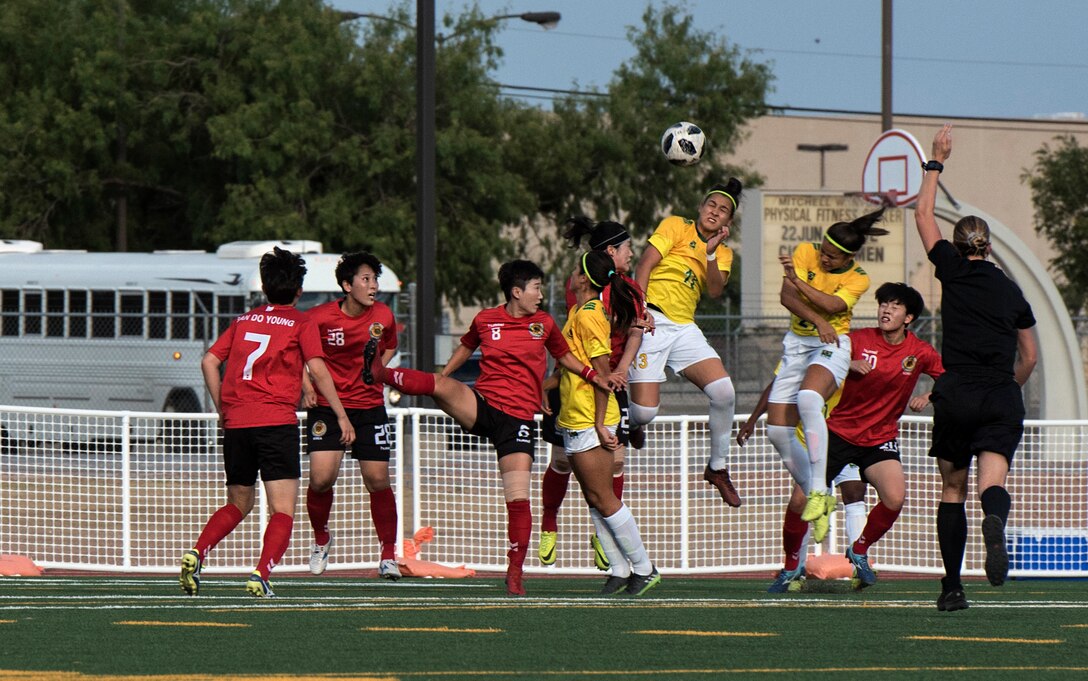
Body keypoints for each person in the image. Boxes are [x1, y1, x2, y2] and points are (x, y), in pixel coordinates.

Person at [373, 259, 616, 596]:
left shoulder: (544, 323)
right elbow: (466, 347)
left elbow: (565, 358)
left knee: (517, 498)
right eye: (536, 288)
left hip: (517, 422)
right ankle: (377, 373)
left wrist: (592, 375)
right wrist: (446, 375)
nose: (541, 295)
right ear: (516, 292)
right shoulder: (485, 319)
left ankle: (514, 573)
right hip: (483, 407)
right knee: (439, 385)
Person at [178, 247, 355, 598]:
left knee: (238, 504)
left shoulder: (243, 321)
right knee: (283, 509)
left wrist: (222, 411)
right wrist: (340, 414)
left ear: (264, 288)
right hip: (275, 422)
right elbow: (317, 369)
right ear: (299, 291)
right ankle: (260, 575)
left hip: (239, 424)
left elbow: (209, 362)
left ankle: (198, 553)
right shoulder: (301, 322)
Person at [915, 124, 1038, 612]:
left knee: (951, 487)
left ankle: (951, 588)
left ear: (960, 244)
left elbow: (923, 213)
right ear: (987, 246)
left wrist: (936, 160)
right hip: (998, 394)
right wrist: (1009, 388)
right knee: (992, 484)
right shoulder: (1012, 292)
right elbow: (1028, 356)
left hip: (957, 390)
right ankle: (995, 519)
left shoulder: (952, 270)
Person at [766, 208, 889, 542]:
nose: (823, 258)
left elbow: (834, 307)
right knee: (776, 430)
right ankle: (815, 490)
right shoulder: (805, 251)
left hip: (833, 344)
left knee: (808, 397)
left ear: (848, 257)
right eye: (822, 250)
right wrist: (814, 315)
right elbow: (785, 297)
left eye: (832, 257)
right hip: (797, 343)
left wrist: (797, 283)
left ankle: (819, 490)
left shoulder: (858, 277)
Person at [538, 217, 648, 571]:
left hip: (596, 399)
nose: (633, 253)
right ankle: (553, 525)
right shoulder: (582, 304)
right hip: (579, 395)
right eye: (628, 247)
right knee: (567, 468)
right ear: (611, 252)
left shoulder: (602, 305)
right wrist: (544, 385)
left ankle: (638, 565)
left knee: (604, 485)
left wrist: (616, 376)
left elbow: (606, 363)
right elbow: (576, 359)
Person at [629, 178, 744, 507]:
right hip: (652, 318)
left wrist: (709, 255)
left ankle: (717, 468)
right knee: (646, 412)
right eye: (711, 205)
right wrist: (639, 309)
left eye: (723, 211)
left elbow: (715, 291)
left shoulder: (723, 252)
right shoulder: (676, 225)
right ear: (700, 207)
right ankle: (632, 419)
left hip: (683, 327)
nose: (715, 212)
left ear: (728, 223)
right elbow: (644, 264)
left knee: (724, 392)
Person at [823, 282, 944, 589]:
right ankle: (789, 567)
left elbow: (951, 378)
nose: (886, 310)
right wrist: (845, 363)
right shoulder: (858, 339)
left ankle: (859, 549)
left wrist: (929, 396)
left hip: (880, 438)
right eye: (883, 304)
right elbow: (822, 358)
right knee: (801, 499)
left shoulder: (919, 351)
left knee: (894, 497)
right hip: (839, 432)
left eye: (894, 306)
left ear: (909, 317)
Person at [557, 250, 660, 595]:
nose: (571, 274)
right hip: (575, 413)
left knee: (604, 497)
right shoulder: (580, 311)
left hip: (591, 417)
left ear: (584, 278)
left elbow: (602, 376)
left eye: (575, 270)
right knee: (592, 497)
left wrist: (602, 423)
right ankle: (618, 569)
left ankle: (644, 568)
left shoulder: (588, 315)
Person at [300, 251, 401, 580]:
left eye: (375, 279)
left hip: (369, 407)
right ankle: (321, 539)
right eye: (366, 279)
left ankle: (388, 554)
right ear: (347, 285)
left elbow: (390, 345)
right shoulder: (319, 318)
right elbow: (301, 355)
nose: (373, 286)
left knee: (377, 480)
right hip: (328, 408)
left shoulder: (383, 314)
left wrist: (377, 369)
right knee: (321, 479)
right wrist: (305, 386)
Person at [738, 377, 867, 593]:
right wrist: (753, 419)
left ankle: (860, 566)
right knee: (800, 502)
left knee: (855, 491)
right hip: (809, 446)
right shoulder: (803, 357)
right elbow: (777, 383)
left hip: (845, 441)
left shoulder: (850, 354)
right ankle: (796, 570)